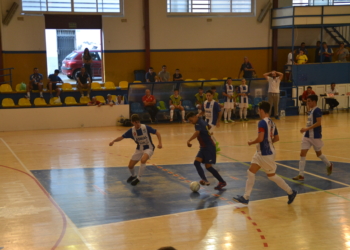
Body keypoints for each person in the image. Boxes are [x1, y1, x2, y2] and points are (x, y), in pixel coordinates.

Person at [233, 101, 297, 205]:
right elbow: (276, 138)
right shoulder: (272, 122)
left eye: (258, 110)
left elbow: (260, 138)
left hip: (266, 154)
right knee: (250, 172)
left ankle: (291, 192)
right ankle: (246, 197)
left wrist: (251, 142)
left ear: (262, 110)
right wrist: (268, 142)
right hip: (261, 153)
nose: (258, 111)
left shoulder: (262, 122)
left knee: (271, 176)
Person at [109, 114, 162, 186]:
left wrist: (160, 143)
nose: (137, 124)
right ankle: (133, 175)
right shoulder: (131, 131)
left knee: (143, 160)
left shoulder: (145, 127)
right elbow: (121, 137)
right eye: (136, 123)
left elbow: (157, 133)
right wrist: (113, 141)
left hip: (149, 148)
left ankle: (139, 178)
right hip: (139, 148)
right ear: (132, 123)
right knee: (130, 166)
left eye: (138, 122)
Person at [292, 95, 333, 181]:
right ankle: (301, 174)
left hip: (315, 136)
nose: (307, 103)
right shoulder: (311, 110)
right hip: (307, 136)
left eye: (309, 101)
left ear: (314, 101)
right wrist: (306, 130)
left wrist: (306, 128)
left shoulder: (317, 110)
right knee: (302, 154)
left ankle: (329, 164)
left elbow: (319, 123)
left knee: (319, 154)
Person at [186, 112, 226, 190]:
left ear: (194, 116)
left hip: (209, 147)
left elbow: (197, 132)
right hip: (203, 147)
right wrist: (209, 132)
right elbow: (209, 126)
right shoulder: (201, 121)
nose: (191, 123)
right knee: (196, 163)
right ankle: (205, 180)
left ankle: (222, 181)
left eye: (191, 120)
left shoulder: (198, 123)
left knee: (208, 167)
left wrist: (189, 140)